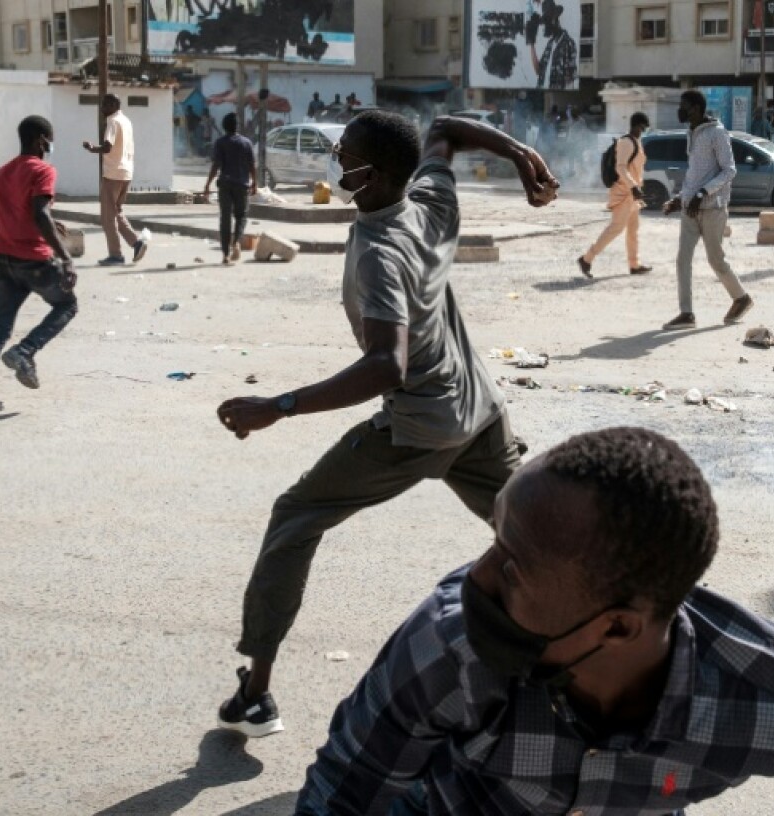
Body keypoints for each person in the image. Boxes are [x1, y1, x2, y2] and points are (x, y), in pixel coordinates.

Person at [295, 427, 774, 816]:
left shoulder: (771, 695)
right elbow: (347, 792)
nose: (476, 579)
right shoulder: (450, 648)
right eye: (495, 540)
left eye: (514, 567)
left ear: (618, 628)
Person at [213, 110, 557, 738]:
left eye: (343, 153)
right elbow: (446, 130)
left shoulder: (378, 252)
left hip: (418, 428)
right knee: (539, 539)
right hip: (480, 411)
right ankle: (586, 661)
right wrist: (521, 153)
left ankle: (257, 695)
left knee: (295, 516)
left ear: (368, 175)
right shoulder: (430, 200)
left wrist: (277, 407)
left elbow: (384, 366)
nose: (335, 159)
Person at [0, 116, 78, 417]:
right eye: (49, 139)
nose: (50, 145)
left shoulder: (4, 171)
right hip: (33, 260)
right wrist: (64, 257)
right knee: (67, 305)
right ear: (41, 139)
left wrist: (52, 222)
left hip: (2, 257)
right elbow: (39, 212)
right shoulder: (43, 170)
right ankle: (25, 351)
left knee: (1, 326)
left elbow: (18, 209)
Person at [661, 90, 752, 331]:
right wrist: (680, 198)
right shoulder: (691, 132)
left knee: (715, 260)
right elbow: (695, 174)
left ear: (697, 108)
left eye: (684, 106)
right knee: (683, 260)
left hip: (713, 207)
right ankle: (686, 313)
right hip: (690, 210)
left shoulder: (717, 133)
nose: (680, 110)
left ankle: (741, 298)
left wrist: (703, 193)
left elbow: (729, 170)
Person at [578, 112, 651, 278]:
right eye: (642, 128)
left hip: (632, 193)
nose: (643, 131)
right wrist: (633, 186)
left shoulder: (636, 142)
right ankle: (587, 258)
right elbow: (621, 167)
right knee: (616, 228)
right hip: (623, 192)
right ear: (636, 126)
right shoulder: (626, 142)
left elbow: (635, 169)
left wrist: (637, 187)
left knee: (633, 230)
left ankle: (634, 265)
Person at [82, 94, 148, 266]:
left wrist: (91, 148)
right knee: (116, 212)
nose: (102, 108)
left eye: (104, 105)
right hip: (126, 172)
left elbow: (107, 147)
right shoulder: (126, 121)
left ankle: (116, 255)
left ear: (113, 105)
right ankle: (136, 243)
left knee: (107, 217)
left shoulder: (112, 121)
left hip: (113, 174)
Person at [202, 113, 256, 265]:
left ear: (224, 127)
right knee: (241, 216)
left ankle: (225, 254)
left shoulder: (220, 143)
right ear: (237, 127)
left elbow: (216, 165)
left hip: (225, 184)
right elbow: (252, 165)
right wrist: (255, 183)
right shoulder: (246, 143)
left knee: (225, 219)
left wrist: (207, 184)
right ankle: (237, 242)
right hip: (242, 185)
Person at [526, 0, 578, 90]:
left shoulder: (568, 43)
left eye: (547, 22)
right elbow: (538, 71)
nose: (545, 26)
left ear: (554, 20)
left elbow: (570, 79)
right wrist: (532, 44)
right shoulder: (550, 44)